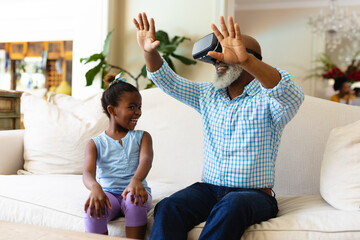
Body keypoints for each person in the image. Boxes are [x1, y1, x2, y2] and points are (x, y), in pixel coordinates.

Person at [134, 12, 304, 240]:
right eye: (215, 59)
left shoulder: (269, 99)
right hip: (209, 189)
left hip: (253, 195)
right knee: (168, 207)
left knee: (231, 205)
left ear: (249, 58)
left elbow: (292, 95)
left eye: (224, 57)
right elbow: (168, 81)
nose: (216, 63)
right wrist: (149, 51)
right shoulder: (207, 95)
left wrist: (246, 61)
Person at [82, 73, 153, 240]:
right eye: (132, 107)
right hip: (109, 194)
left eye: (139, 107)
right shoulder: (95, 143)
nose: (138, 112)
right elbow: (87, 173)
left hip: (136, 190)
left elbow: (146, 160)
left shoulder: (142, 137)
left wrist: (136, 181)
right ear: (112, 110)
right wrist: (95, 188)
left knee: (134, 201)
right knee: (93, 209)